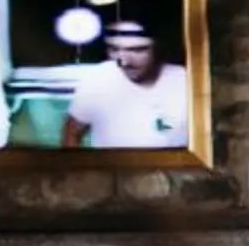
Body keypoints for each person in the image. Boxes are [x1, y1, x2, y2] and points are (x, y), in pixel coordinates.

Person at [60, 18, 191, 149]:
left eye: (137, 50)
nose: (124, 62)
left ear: (158, 48)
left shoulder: (186, 79)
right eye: (114, 49)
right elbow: (71, 135)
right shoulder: (98, 78)